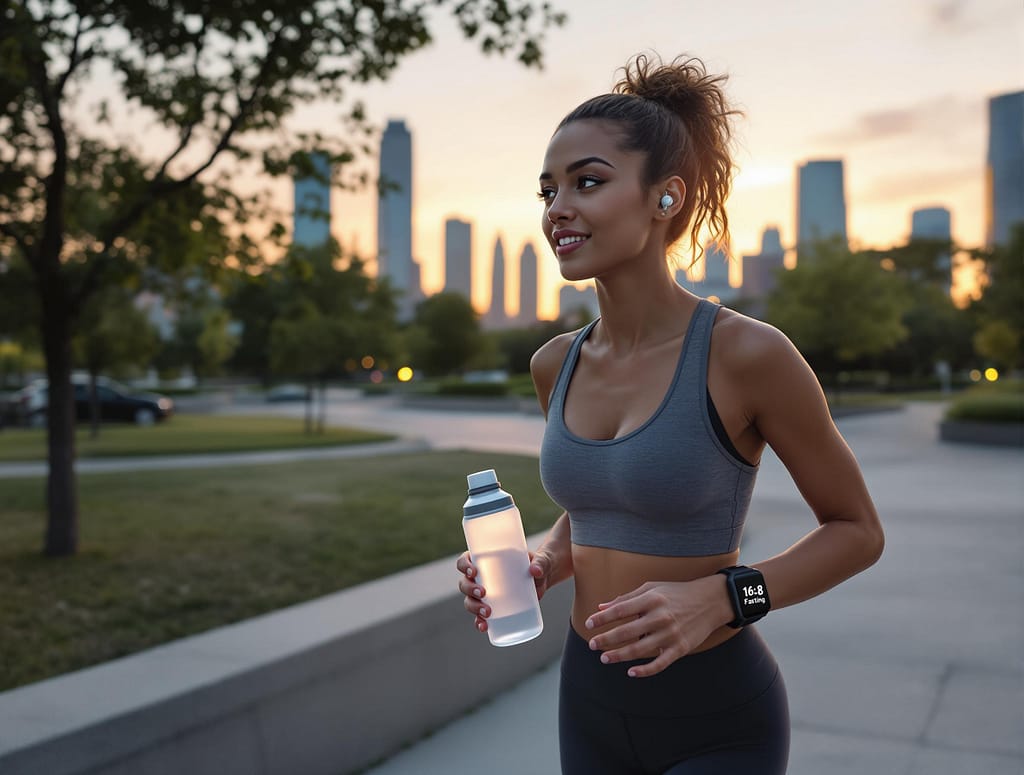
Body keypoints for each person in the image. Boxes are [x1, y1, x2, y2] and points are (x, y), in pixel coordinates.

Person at [456, 53, 884, 775]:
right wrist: (543, 561)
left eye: (587, 182)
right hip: (588, 702)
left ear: (665, 198)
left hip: (719, 715)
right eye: (548, 188)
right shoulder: (554, 363)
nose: (558, 206)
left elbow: (858, 531)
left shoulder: (748, 354)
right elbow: (600, 503)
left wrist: (726, 596)